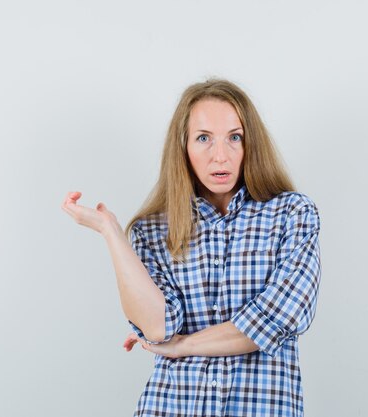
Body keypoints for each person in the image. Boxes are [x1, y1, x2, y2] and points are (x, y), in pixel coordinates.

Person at [61, 79, 321, 416]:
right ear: (183, 146)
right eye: (203, 138)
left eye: (234, 137)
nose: (220, 155)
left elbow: (276, 319)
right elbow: (158, 327)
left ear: (249, 144)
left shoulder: (293, 215)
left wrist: (182, 346)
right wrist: (111, 232)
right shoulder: (152, 231)